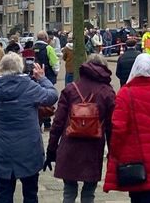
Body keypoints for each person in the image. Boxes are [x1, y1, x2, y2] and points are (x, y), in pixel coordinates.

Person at [46, 54, 116, 203]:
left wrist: (51, 150)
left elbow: (57, 123)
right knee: (89, 193)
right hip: (93, 149)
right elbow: (111, 128)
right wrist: (112, 154)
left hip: (69, 147)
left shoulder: (71, 89)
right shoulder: (107, 92)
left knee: (69, 192)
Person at [0, 52, 59, 203]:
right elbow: (52, 96)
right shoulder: (29, 86)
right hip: (28, 147)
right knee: (30, 193)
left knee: (4, 194)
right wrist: (42, 79)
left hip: (3, 148)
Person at [104, 54, 150, 203]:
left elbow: (118, 128)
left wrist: (113, 153)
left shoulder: (125, 94)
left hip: (133, 157)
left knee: (136, 196)